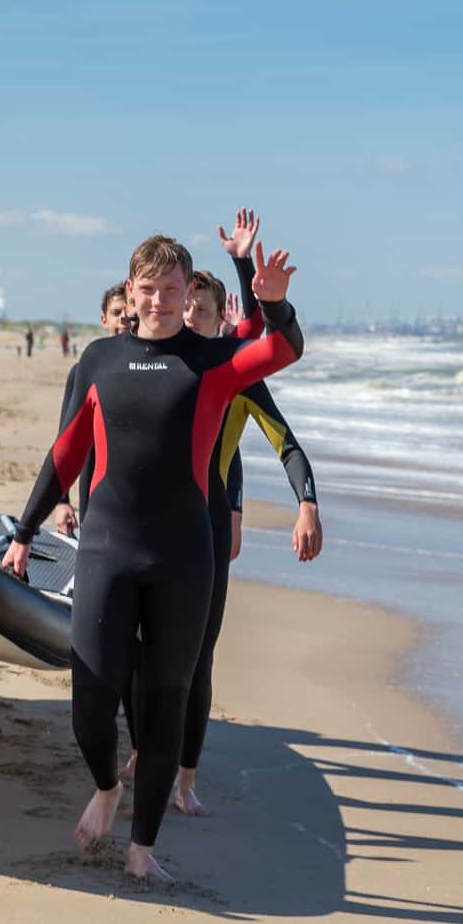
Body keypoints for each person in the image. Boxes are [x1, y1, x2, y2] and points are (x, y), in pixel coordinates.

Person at [2, 234, 302, 882]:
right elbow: (66, 454)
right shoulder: (100, 359)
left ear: (189, 292)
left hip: (183, 556)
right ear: (131, 291)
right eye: (150, 288)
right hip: (109, 550)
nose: (161, 301)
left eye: (174, 290)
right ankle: (108, 786)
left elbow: (282, 349)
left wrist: (274, 303)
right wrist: (25, 528)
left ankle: (143, 847)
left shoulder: (214, 359)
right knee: (90, 698)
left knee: (166, 698)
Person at [120, 262, 323, 816]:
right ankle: (141, 750)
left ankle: (185, 776)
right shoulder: (146, 363)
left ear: (216, 319)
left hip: (203, 526)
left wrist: (306, 504)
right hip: (146, 522)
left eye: (201, 310)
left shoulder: (233, 375)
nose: (189, 316)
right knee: (140, 648)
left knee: (196, 655)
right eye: (186, 306)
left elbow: (286, 442)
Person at [49, 282, 134, 535]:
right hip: (94, 500)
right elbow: (66, 439)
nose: (124, 319)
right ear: (104, 319)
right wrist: (62, 501)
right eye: (117, 312)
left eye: (128, 311)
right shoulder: (85, 370)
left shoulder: (155, 368)